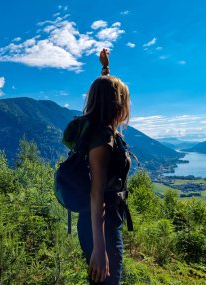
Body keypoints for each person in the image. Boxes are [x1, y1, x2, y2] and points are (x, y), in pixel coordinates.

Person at [63, 48, 134, 284]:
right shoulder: (103, 139)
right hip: (102, 226)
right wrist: (100, 248)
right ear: (116, 103)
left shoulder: (99, 131)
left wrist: (105, 68)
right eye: (122, 98)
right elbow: (97, 194)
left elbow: (104, 89)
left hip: (102, 222)